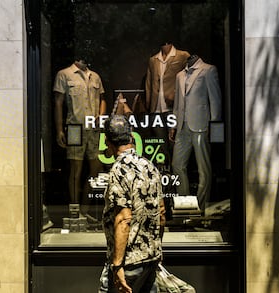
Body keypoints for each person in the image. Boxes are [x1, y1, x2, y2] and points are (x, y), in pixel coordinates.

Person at [99, 115, 166, 293]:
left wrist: (117, 265)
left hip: (129, 261)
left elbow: (123, 219)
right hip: (150, 258)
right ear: (131, 138)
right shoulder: (150, 167)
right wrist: (156, 248)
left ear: (108, 141)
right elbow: (161, 213)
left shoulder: (118, 171)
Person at [53, 58, 106, 221]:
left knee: (95, 169)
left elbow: (102, 98)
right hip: (75, 127)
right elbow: (58, 103)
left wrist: (102, 116)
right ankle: (75, 210)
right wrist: (59, 129)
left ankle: (85, 209)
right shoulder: (64, 74)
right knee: (75, 170)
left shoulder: (95, 76)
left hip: (94, 128)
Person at [169, 54, 222, 213]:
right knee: (177, 165)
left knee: (203, 168)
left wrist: (215, 125)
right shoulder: (180, 75)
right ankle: (185, 204)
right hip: (182, 127)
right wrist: (173, 124)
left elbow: (215, 100)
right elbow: (178, 103)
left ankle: (201, 205)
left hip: (201, 125)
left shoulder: (208, 70)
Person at [145, 42, 190, 167]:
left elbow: (189, 80)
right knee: (161, 144)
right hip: (156, 109)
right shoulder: (153, 59)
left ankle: (177, 172)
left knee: (175, 143)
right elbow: (149, 83)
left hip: (173, 108)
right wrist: (149, 105)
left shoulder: (182, 56)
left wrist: (176, 95)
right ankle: (165, 171)